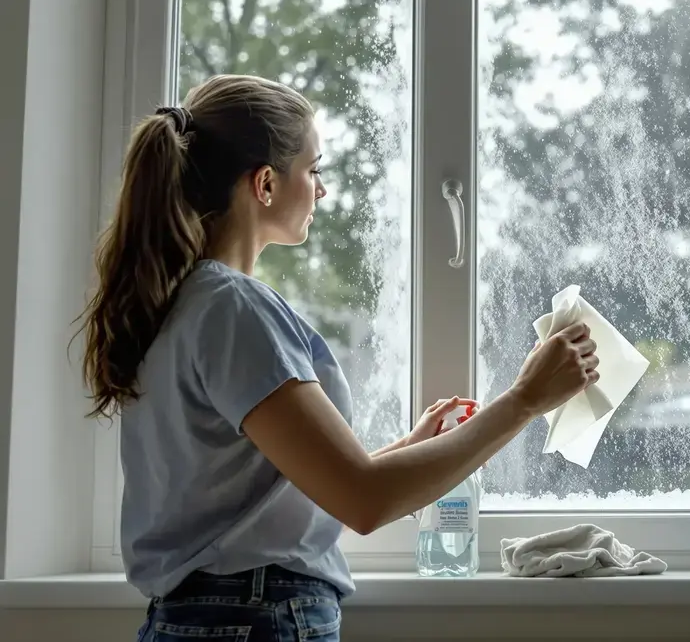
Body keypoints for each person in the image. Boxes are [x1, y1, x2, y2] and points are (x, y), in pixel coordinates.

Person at [75, 74, 599, 641]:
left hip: (198, 619)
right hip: (253, 619)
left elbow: (272, 492)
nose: (322, 190)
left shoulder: (183, 305)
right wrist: (524, 400)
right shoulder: (232, 308)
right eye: (314, 169)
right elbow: (364, 500)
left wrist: (406, 449)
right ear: (266, 184)